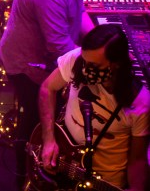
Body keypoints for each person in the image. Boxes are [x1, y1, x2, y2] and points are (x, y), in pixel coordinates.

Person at [0, 0, 109, 190]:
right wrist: (99, 63)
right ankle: (25, 178)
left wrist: (101, 42)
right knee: (34, 121)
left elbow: (78, 10)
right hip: (27, 64)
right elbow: (59, 48)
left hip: (45, 56)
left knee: (43, 115)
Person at [37, 24, 149, 191]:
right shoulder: (76, 59)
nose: (85, 69)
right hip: (66, 165)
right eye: (85, 61)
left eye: (94, 66)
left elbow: (138, 160)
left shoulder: (140, 103)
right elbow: (47, 89)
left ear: (117, 64)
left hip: (105, 181)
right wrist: (49, 140)